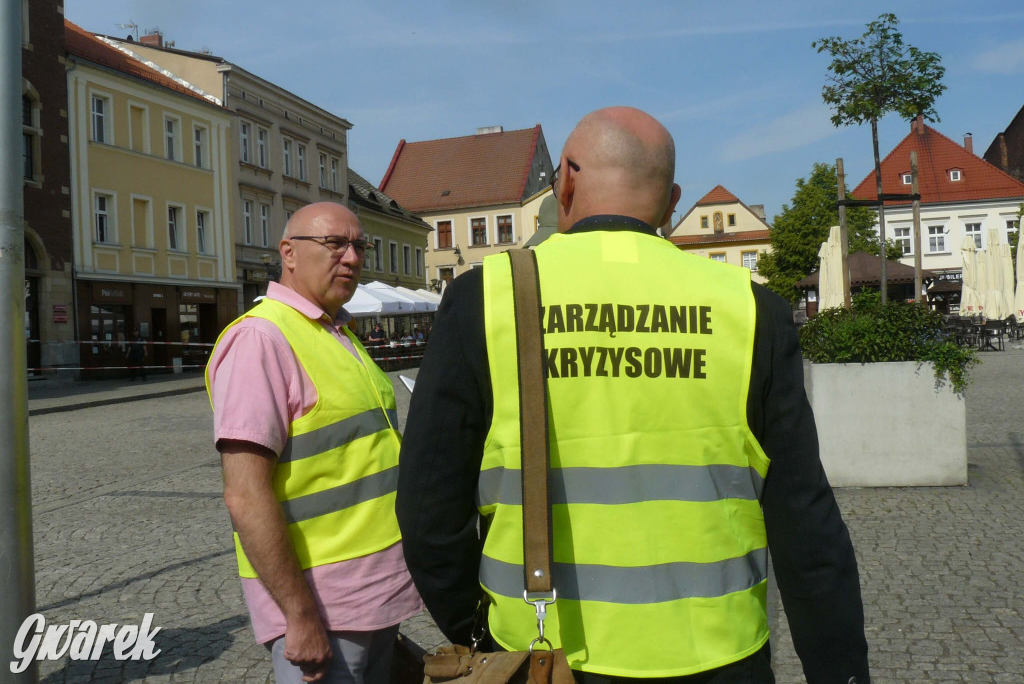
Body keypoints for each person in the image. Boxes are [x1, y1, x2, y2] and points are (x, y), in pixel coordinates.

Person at [396, 107, 870, 683]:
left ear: (565, 178)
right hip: (720, 656)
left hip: (544, 656)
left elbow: (428, 509)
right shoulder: (749, 309)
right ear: (672, 201)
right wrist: (838, 670)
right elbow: (806, 520)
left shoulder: (485, 297)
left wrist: (477, 627)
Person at [207, 202, 422, 684]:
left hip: (374, 594)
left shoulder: (337, 333)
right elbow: (244, 494)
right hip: (322, 606)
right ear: (288, 253)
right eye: (333, 244)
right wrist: (297, 615)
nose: (351, 257)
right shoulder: (261, 340)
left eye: (358, 245)